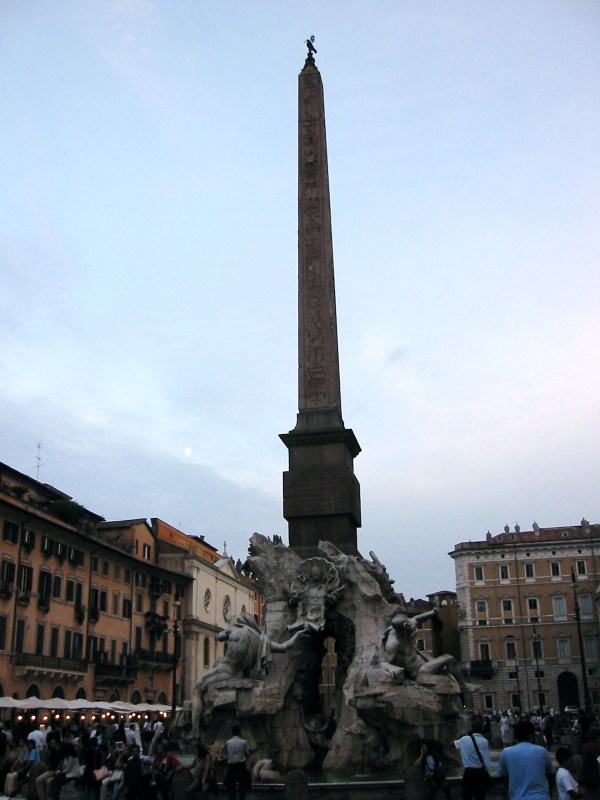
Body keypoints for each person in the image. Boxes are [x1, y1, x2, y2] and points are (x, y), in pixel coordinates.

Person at [497, 719, 555, 800]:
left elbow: (503, 776)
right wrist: (548, 793)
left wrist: (512, 790)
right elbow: (551, 774)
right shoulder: (542, 751)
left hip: (517, 797)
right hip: (541, 796)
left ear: (516, 736)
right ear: (531, 736)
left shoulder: (506, 752)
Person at [454, 721, 491, 800]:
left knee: (467, 795)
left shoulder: (464, 739)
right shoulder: (485, 741)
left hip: (469, 771)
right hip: (480, 771)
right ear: (482, 729)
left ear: (472, 729)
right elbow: (486, 758)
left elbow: (452, 744)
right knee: (480, 795)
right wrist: (487, 769)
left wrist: (462, 734)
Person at [224, 725, 250, 800]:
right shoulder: (243, 742)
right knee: (242, 788)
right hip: (241, 767)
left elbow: (226, 754)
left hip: (232, 767)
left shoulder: (228, 743)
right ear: (239, 732)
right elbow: (247, 753)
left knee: (231, 788)